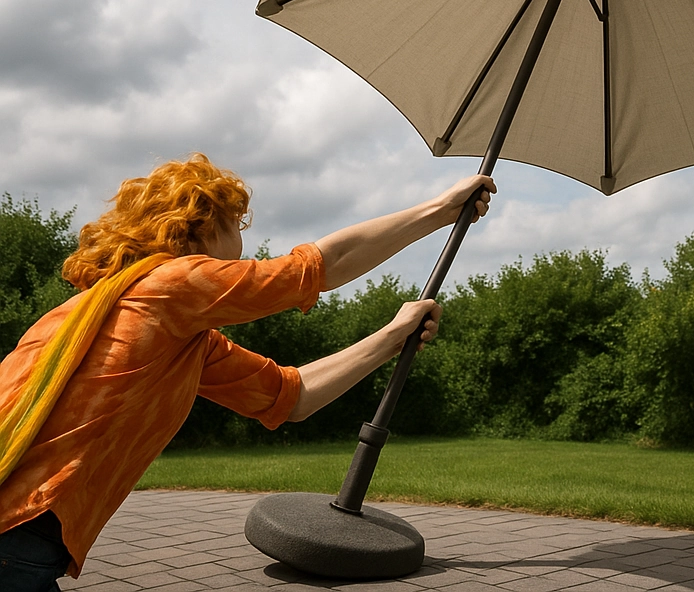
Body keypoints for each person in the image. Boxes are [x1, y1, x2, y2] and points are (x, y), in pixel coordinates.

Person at [0, 153, 495, 591]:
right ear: (199, 226)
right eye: (237, 225)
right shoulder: (170, 286)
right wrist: (440, 209)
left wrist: (391, 338)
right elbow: (322, 265)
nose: (242, 242)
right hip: (20, 526)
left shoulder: (156, 325)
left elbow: (290, 397)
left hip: (25, 533)